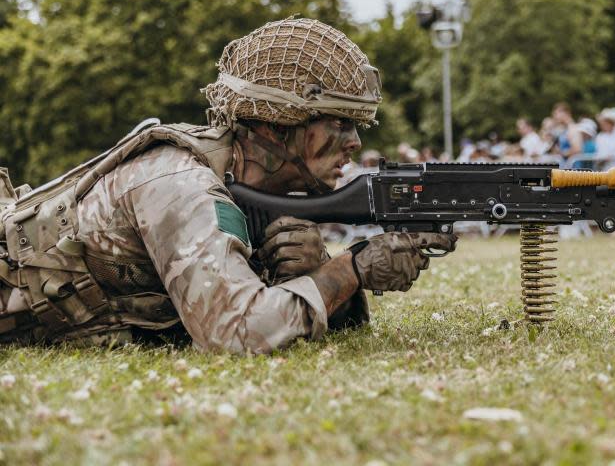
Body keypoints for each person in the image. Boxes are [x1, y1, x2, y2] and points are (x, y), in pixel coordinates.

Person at [0, 18, 455, 352]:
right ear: (278, 126)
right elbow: (238, 332)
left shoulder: (245, 187)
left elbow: (297, 320)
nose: (354, 142)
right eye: (337, 123)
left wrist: (316, 271)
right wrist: (352, 270)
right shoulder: (180, 185)